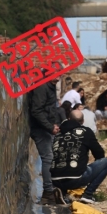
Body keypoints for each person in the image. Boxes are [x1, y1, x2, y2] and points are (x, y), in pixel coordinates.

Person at [52, 102, 107, 204]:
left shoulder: (58, 134)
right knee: (106, 163)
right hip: (76, 178)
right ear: (83, 121)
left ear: (69, 119)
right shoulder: (86, 132)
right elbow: (99, 154)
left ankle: (62, 192)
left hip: (54, 179)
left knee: (63, 162)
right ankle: (88, 194)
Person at [28, 75, 65, 205]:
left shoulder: (50, 86)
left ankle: (51, 190)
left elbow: (51, 109)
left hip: (47, 128)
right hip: (40, 129)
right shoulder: (42, 86)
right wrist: (50, 127)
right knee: (48, 158)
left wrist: (54, 124)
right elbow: (36, 110)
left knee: (52, 157)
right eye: (56, 74)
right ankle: (48, 193)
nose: (59, 78)